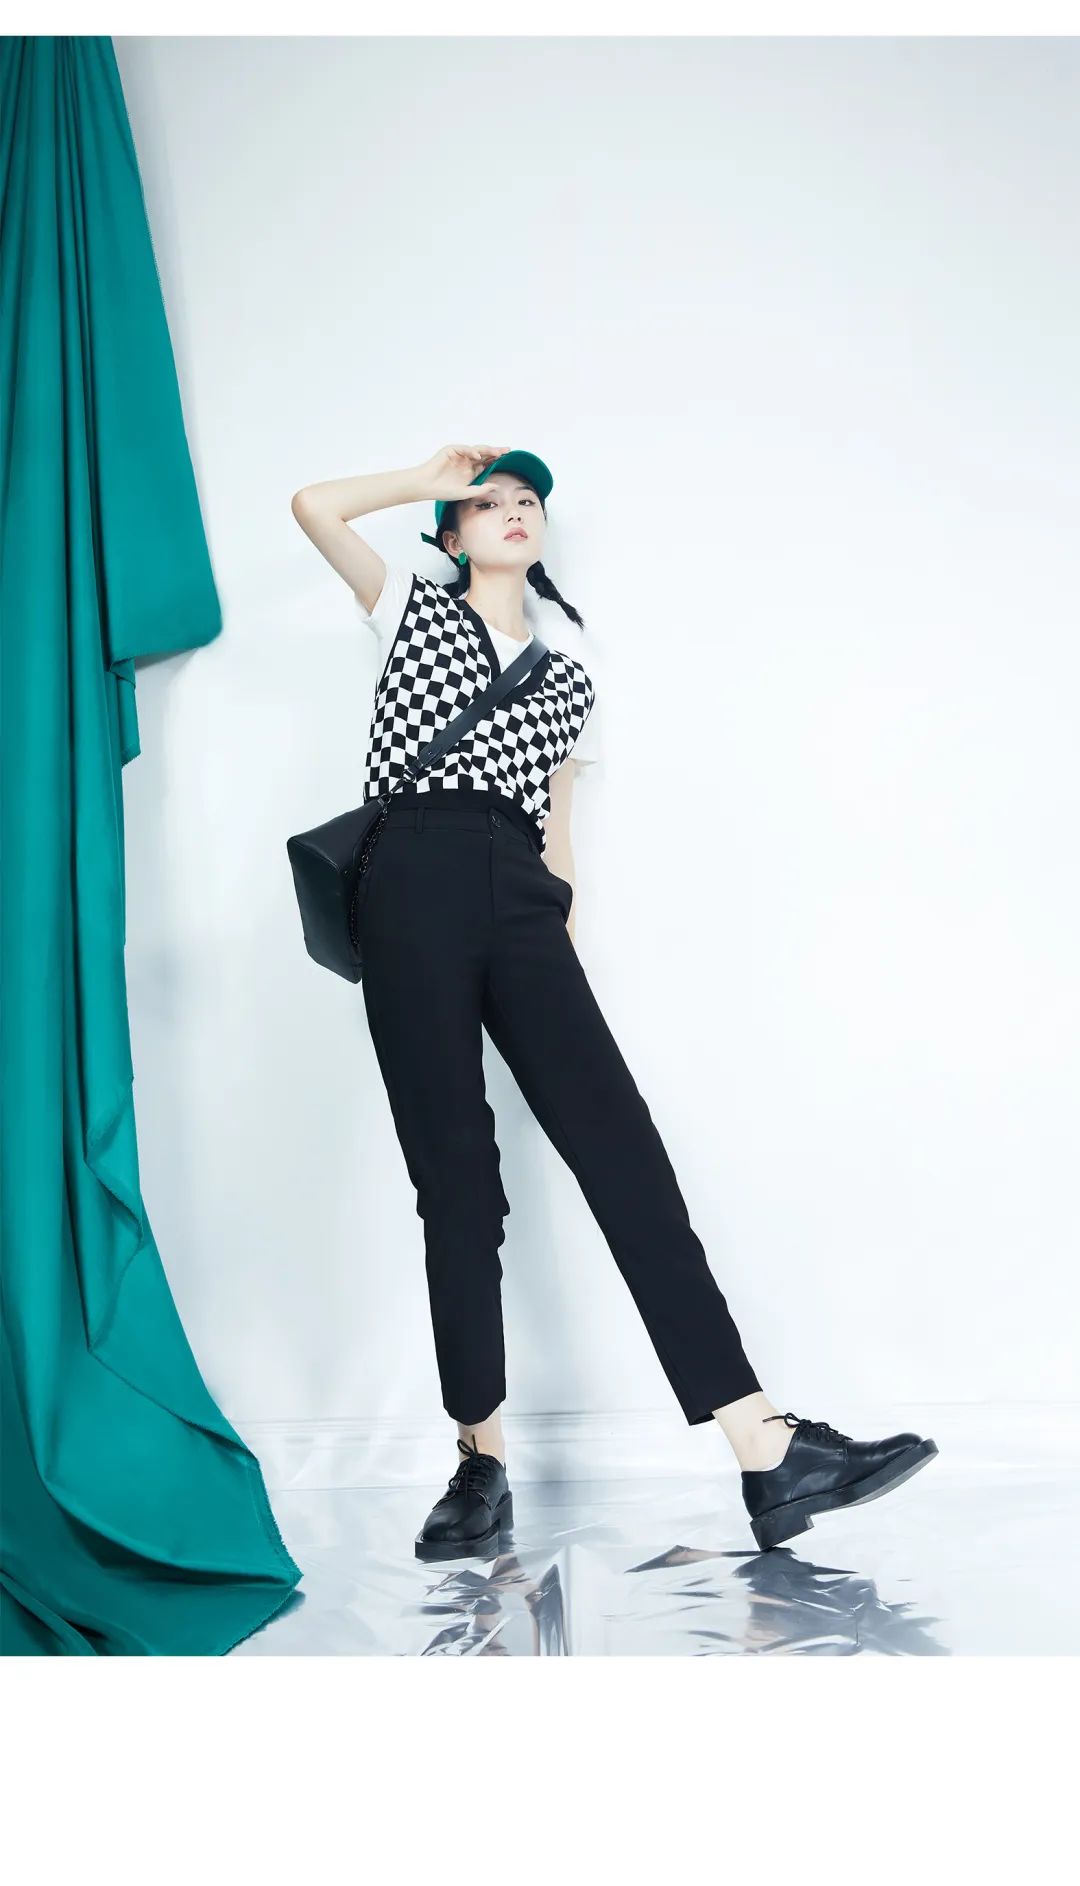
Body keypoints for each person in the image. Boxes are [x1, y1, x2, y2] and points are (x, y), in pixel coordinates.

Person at [291, 443, 939, 1560]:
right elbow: (313, 506)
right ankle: (480, 1459)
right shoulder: (410, 610)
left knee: (624, 1152)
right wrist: (432, 477)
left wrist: (558, 936)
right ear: (452, 534)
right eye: (490, 501)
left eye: (528, 500)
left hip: (520, 896)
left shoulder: (569, 677)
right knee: (457, 1178)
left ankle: (764, 1444)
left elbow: (556, 829)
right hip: (410, 874)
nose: (514, 510)